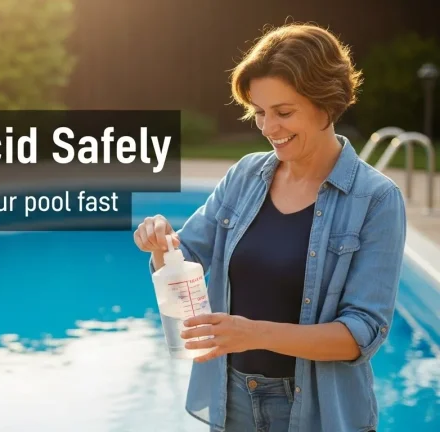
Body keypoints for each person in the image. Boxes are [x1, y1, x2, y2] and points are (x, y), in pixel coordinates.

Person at [134, 23, 407, 432]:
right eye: (260, 112)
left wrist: (252, 334)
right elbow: (185, 255)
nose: (267, 128)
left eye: (283, 112)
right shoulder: (245, 176)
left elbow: (360, 335)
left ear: (327, 104)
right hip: (232, 401)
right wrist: (160, 245)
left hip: (319, 411)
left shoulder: (375, 199)